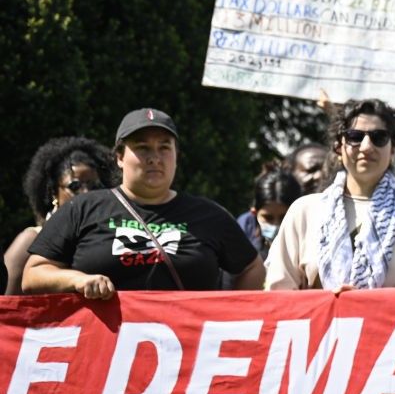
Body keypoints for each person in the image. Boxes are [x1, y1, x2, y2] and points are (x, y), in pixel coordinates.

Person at [22, 109, 264, 298]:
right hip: (104, 353)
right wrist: (77, 280)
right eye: (142, 148)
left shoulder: (210, 215)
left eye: (164, 147)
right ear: (119, 157)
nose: (154, 158)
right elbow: (33, 274)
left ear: (176, 157)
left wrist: (229, 314)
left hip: (188, 354)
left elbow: (253, 268)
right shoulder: (82, 209)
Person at [265, 98, 395, 290]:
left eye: (379, 137)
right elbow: (280, 294)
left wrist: (364, 306)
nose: (367, 146)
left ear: (394, 149)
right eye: (355, 136)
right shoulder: (304, 211)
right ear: (339, 147)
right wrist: (331, 305)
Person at [4, 137, 116, 294]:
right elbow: (7, 305)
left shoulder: (106, 237)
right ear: (53, 193)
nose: (86, 193)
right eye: (74, 186)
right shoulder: (30, 239)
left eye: (95, 186)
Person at [236, 166, 302, 260]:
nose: (276, 225)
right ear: (254, 213)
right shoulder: (244, 228)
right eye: (268, 218)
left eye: (284, 217)